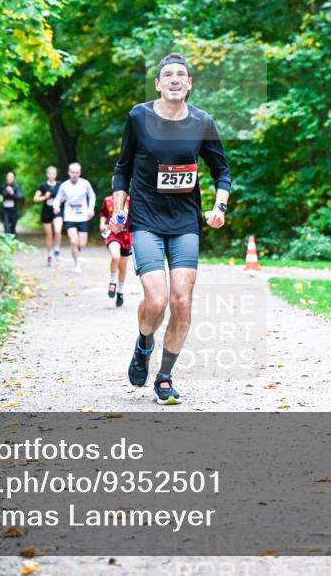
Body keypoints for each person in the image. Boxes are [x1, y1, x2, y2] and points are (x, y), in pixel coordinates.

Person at [111, 53, 230, 405]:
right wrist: (119, 208)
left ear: (190, 84)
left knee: (181, 302)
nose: (175, 79)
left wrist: (219, 207)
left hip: (185, 222)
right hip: (146, 218)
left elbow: (221, 171)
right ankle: (143, 342)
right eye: (168, 74)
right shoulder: (139, 117)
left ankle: (164, 378)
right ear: (158, 84)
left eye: (182, 74)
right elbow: (123, 168)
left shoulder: (203, 122)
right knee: (157, 299)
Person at [53, 162, 96, 272]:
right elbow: (58, 198)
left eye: (76, 172)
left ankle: (77, 249)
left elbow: (92, 196)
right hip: (69, 216)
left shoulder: (85, 183)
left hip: (82, 216)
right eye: (72, 172)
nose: (74, 174)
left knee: (82, 244)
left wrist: (91, 209)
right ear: (69, 173)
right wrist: (56, 206)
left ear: (80, 173)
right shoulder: (64, 185)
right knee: (73, 241)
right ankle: (76, 264)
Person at [99, 194, 133, 307]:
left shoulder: (130, 200)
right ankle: (112, 282)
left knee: (123, 267)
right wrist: (102, 224)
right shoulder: (108, 200)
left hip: (127, 236)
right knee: (115, 257)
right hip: (113, 234)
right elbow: (103, 214)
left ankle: (120, 292)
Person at [33, 166, 63, 266]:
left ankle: (57, 249)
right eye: (50, 173)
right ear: (47, 175)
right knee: (49, 235)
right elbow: (35, 199)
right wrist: (44, 197)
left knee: (58, 231)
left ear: (56, 174)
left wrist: (59, 202)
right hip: (46, 212)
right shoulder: (43, 186)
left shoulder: (60, 185)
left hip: (57, 211)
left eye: (54, 173)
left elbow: (66, 196)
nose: (52, 175)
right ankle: (50, 254)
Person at [0, 171, 24, 235]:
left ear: (14, 178)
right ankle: (6, 243)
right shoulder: (3, 187)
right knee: (7, 228)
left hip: (14, 210)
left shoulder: (16, 187)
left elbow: (20, 197)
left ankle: (13, 242)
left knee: (13, 229)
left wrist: (12, 193)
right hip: (5, 210)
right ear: (6, 178)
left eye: (11, 177)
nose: (10, 178)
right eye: (8, 176)